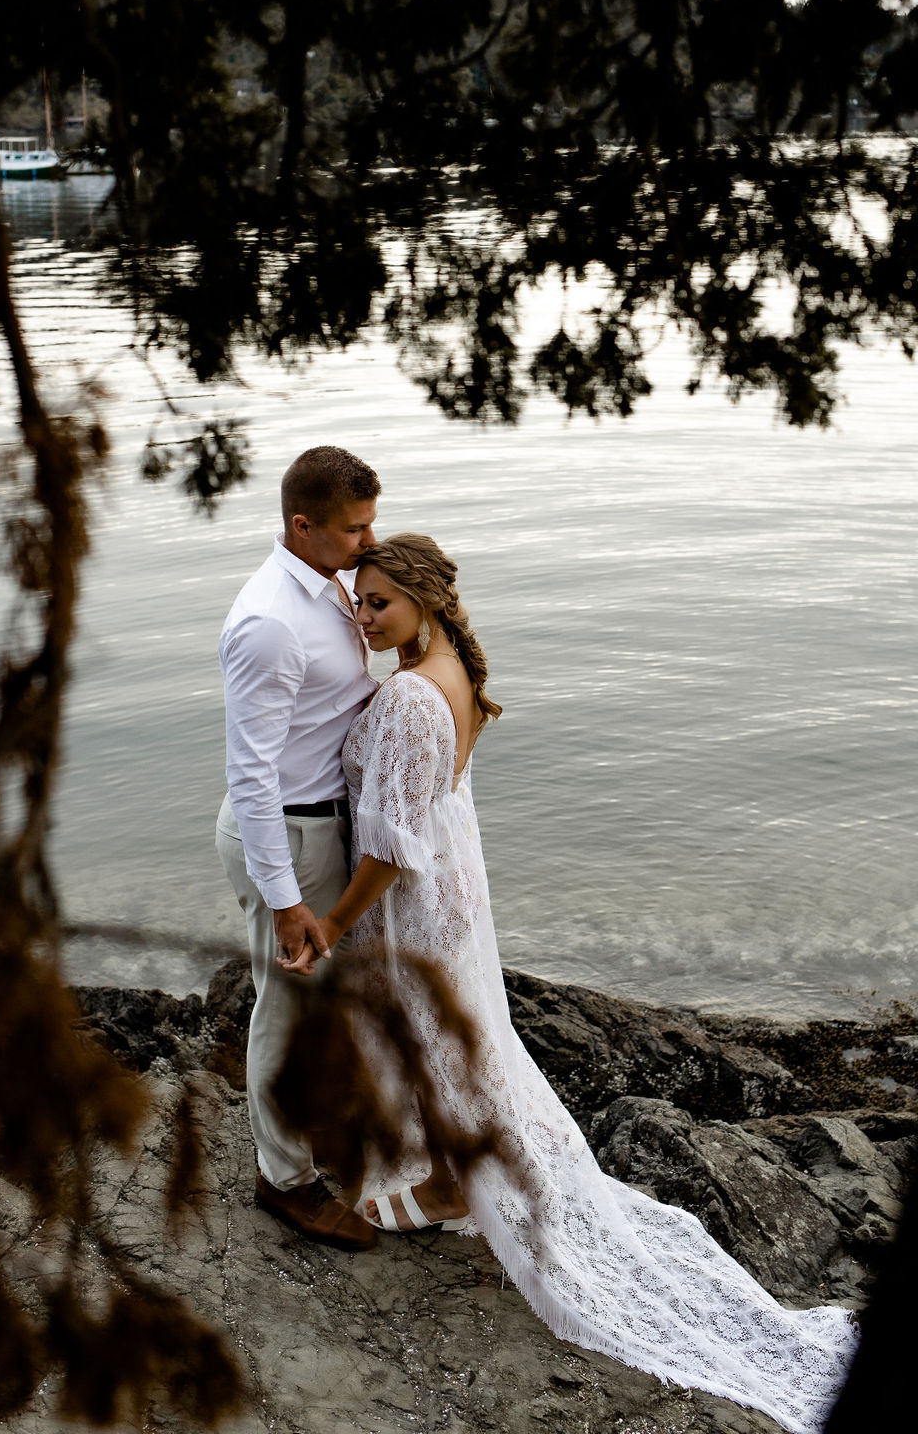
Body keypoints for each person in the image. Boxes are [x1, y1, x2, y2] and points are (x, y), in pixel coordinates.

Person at [284, 533, 858, 1434]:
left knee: (439, 1044)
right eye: (357, 601)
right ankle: (444, 1171)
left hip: (422, 902)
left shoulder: (405, 697)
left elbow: (392, 845)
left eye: (379, 604)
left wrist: (334, 921)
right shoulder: (452, 674)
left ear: (423, 603)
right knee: (461, 1042)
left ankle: (444, 1184)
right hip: (458, 889)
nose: (362, 617)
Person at [215, 445, 380, 1251]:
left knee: (324, 1006)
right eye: (354, 529)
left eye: (371, 522)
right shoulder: (271, 624)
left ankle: (316, 1137)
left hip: (325, 823)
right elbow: (249, 774)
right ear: (302, 525)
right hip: (286, 831)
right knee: (285, 1006)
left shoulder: (334, 586)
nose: (368, 540)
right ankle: (284, 1182)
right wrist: (284, 901)